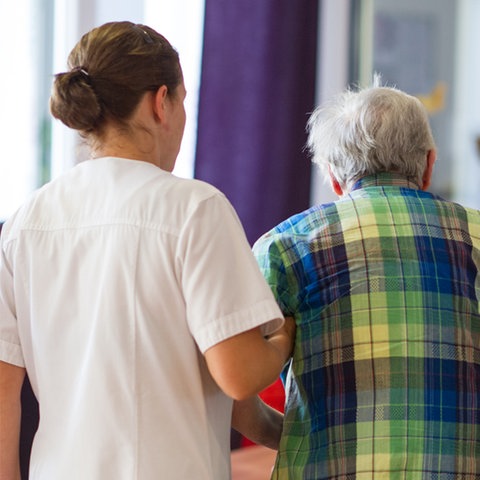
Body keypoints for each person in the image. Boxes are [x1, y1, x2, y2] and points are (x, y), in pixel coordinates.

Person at [0, 21, 295, 480]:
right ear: (161, 103)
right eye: (182, 103)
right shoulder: (195, 209)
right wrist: (284, 339)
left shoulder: (23, 224)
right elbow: (238, 374)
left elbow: (3, 391)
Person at [253, 79, 480, 479]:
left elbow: (227, 381)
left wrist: (285, 435)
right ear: (429, 165)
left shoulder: (286, 246)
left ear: (333, 177)